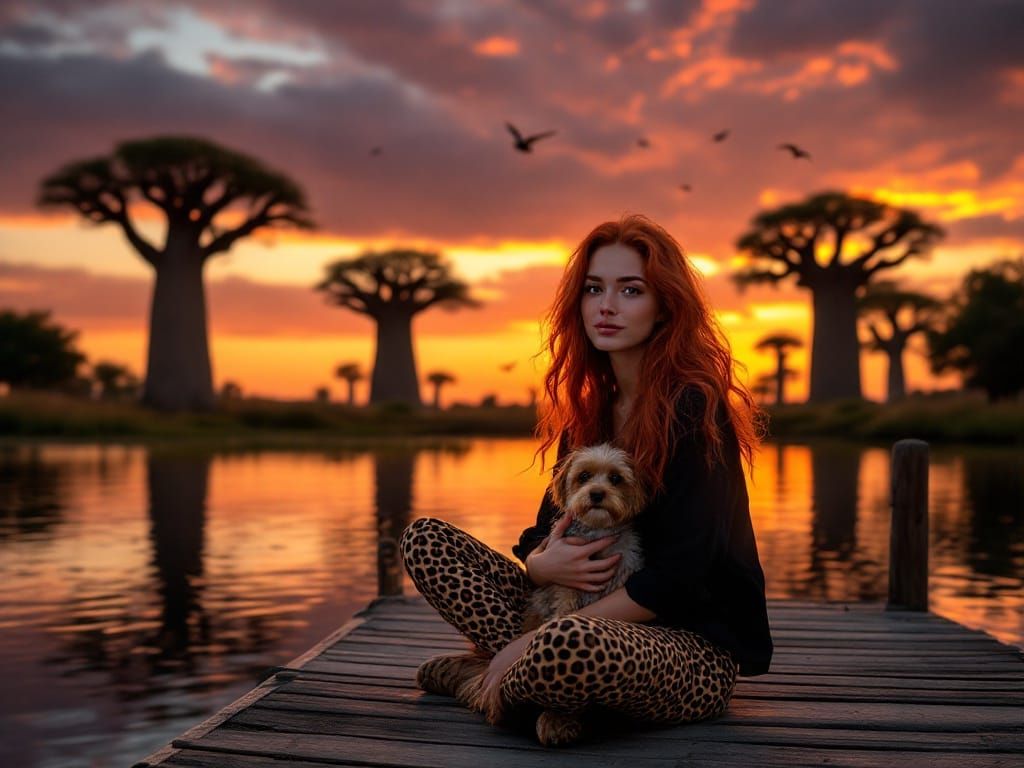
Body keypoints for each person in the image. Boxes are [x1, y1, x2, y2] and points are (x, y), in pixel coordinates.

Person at [400, 214, 772, 745]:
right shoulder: (590, 415)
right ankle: (535, 685)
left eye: (630, 290)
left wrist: (535, 641)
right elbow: (543, 527)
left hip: (685, 650)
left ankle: (490, 678)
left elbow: (684, 573)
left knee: (571, 642)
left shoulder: (695, 406)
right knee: (428, 542)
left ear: (665, 305)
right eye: (594, 288)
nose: (607, 305)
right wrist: (539, 562)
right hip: (567, 615)